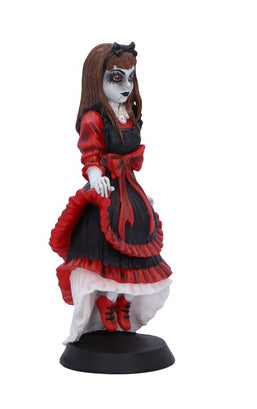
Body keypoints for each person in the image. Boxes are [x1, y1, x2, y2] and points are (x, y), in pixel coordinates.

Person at [50, 42, 172, 343]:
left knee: (140, 252)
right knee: (107, 254)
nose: (126, 86)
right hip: (107, 193)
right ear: (98, 79)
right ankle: (106, 299)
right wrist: (95, 174)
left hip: (129, 189)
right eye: (117, 78)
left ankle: (124, 301)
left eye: (130, 77)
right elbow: (90, 152)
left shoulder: (128, 112)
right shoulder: (94, 118)